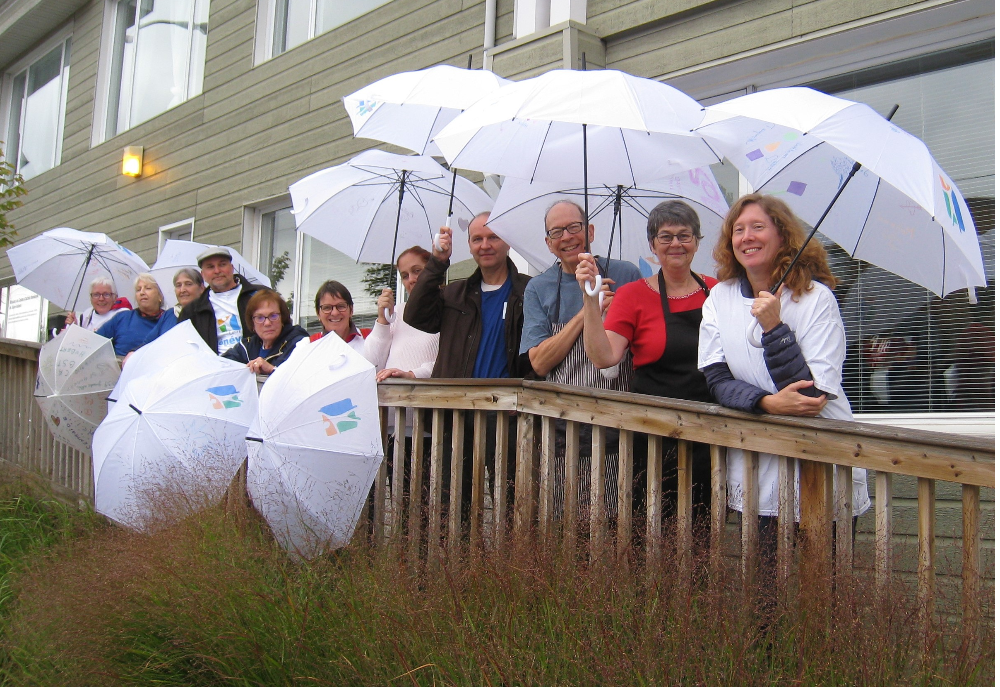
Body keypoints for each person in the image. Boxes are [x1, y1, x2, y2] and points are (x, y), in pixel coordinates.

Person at [697, 193, 870, 565]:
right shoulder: (718, 298)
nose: (747, 237)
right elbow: (716, 377)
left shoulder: (816, 299)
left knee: (824, 590)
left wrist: (775, 327)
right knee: (764, 594)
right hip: (759, 467)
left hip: (823, 463)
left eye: (758, 227)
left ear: (782, 235)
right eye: (738, 230)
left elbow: (811, 394)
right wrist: (765, 403)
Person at [578, 200, 718, 524]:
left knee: (703, 525)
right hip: (651, 431)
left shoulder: (718, 291)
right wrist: (589, 299)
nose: (675, 244)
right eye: (665, 236)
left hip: (709, 430)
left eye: (684, 235)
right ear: (653, 244)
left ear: (697, 241)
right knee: (649, 525)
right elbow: (603, 357)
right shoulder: (632, 294)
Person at [520, 200, 642, 523]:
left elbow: (637, 345)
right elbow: (539, 363)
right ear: (548, 243)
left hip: (619, 426)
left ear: (589, 231)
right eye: (556, 231)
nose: (567, 236)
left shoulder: (625, 273)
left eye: (574, 227)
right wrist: (589, 308)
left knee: (618, 524)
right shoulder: (537, 288)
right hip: (563, 430)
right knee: (566, 525)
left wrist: (615, 315)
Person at [404, 213, 531, 379]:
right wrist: (437, 262)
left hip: (508, 401)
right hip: (456, 401)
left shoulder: (529, 291)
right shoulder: (454, 294)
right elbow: (415, 316)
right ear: (469, 246)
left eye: (493, 237)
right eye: (477, 239)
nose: (485, 246)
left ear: (508, 242)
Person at [364, 246, 439, 381]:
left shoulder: (449, 311)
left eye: (417, 271)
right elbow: (371, 365)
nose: (411, 279)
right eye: (405, 276)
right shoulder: (397, 312)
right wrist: (383, 320)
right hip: (390, 397)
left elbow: (454, 362)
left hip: (428, 397)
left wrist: (412, 375)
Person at [178, 247, 268, 355]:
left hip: (257, 364)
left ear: (232, 268)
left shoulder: (261, 295)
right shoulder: (192, 311)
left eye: (222, 264)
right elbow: (183, 348)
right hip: (215, 367)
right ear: (203, 275)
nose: (217, 271)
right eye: (210, 267)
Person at [223, 289, 308, 375]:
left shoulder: (299, 343)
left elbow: (302, 378)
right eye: (260, 318)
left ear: (283, 318)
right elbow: (221, 365)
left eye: (273, 316)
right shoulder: (247, 346)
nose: (267, 323)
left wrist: (272, 369)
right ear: (252, 323)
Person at [96, 273, 166, 356]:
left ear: (160, 296)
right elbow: (96, 340)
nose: (142, 292)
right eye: (138, 289)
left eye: (148, 288)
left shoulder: (168, 319)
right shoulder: (123, 317)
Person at [142, 268, 205, 343]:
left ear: (201, 288)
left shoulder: (207, 313)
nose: (182, 290)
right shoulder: (169, 314)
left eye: (188, 284)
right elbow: (148, 343)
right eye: (178, 285)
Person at [310, 280, 365, 352]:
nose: (335, 313)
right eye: (327, 308)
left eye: (341, 306)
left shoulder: (370, 338)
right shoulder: (308, 345)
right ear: (318, 313)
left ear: (351, 310)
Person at [63, 277, 131, 332]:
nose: (101, 299)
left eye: (106, 294)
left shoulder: (123, 315)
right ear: (91, 298)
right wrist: (73, 327)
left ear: (115, 297)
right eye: (96, 295)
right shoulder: (87, 314)